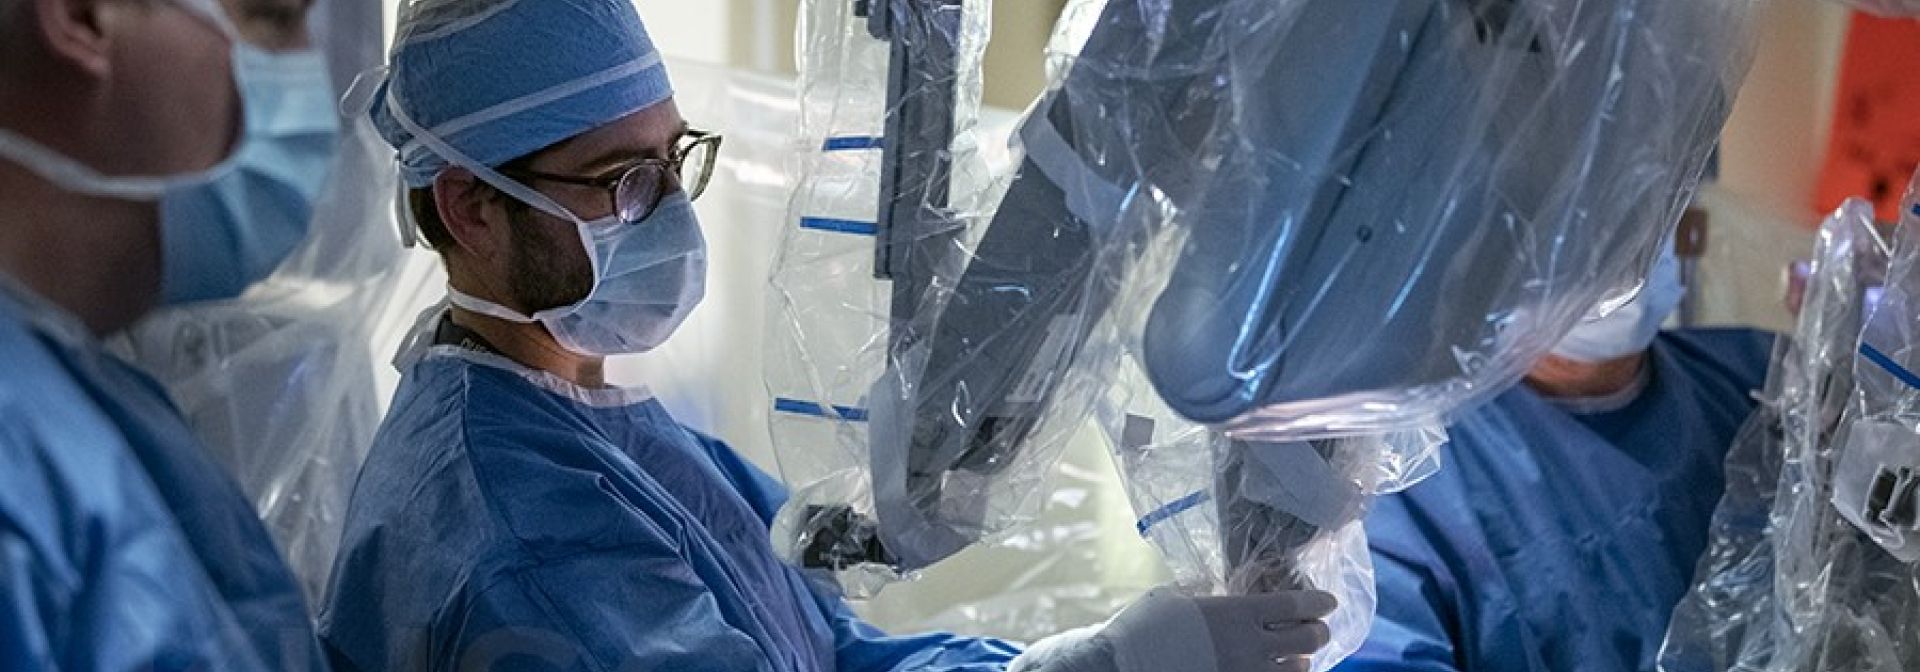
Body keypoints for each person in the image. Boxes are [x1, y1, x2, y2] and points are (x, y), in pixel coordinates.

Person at [316, 1, 1337, 670]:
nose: (671, 210)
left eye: (675, 160)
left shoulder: (594, 423)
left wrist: (1090, 659)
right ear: (471, 209)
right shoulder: (520, 534)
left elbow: (835, 652)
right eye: (622, 182)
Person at [0, 0, 339, 667]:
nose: (311, 77)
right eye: (271, 17)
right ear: (81, 16)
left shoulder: (91, 403)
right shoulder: (21, 459)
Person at [1336, 243, 1775, 671]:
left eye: (1640, 213)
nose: (1616, 241)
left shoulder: (1761, 382)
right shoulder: (1397, 472)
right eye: (1584, 219)